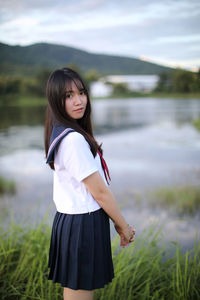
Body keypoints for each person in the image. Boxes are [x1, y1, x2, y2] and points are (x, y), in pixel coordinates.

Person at [44, 67, 135, 300]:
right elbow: (101, 193)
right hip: (82, 224)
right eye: (68, 96)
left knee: (76, 291)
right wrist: (123, 225)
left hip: (73, 221)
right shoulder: (73, 139)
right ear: (56, 100)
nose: (78, 101)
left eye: (81, 93)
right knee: (81, 294)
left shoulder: (62, 132)